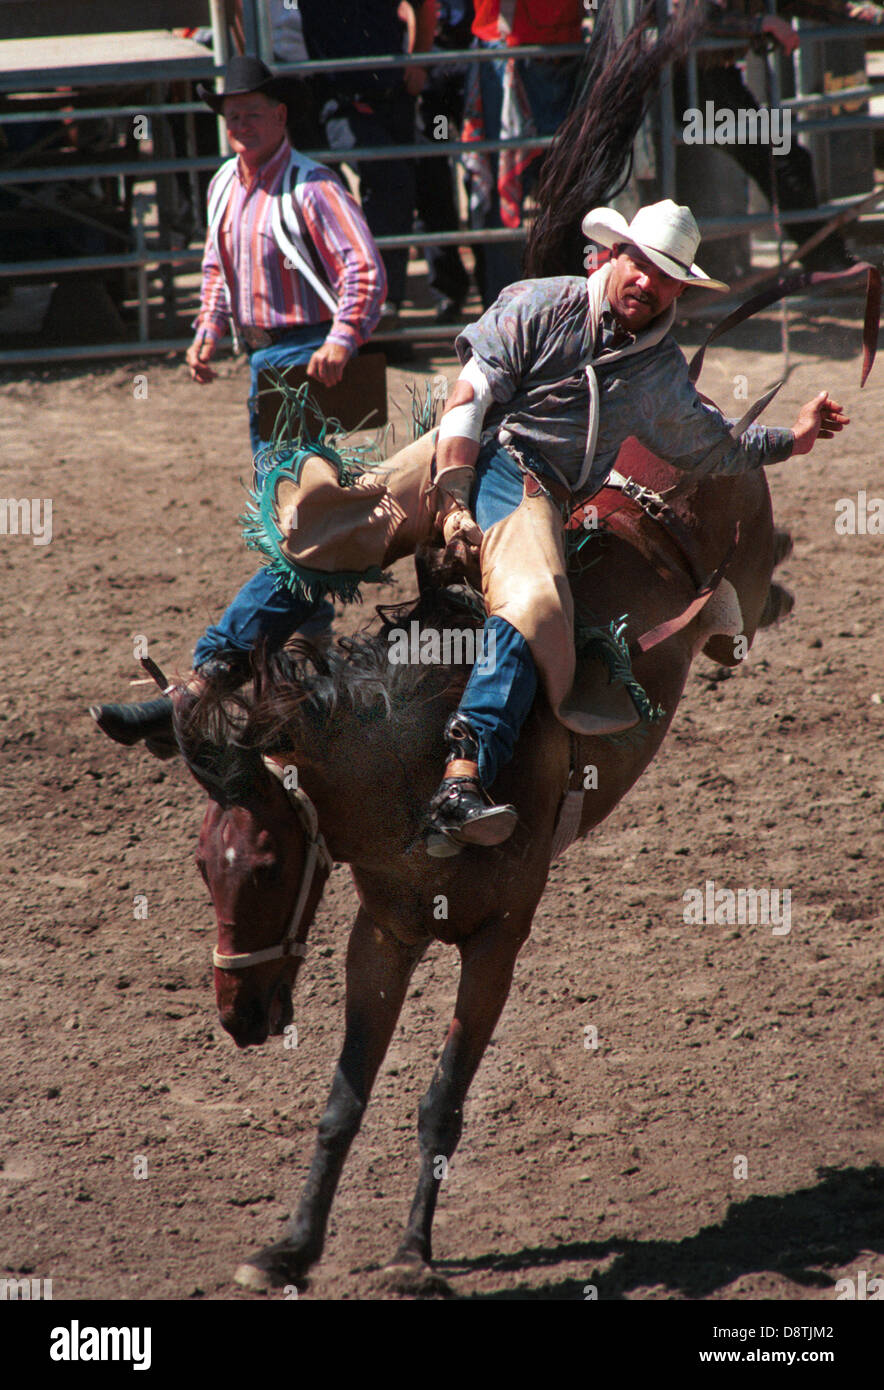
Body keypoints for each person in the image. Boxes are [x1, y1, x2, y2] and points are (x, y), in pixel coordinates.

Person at [92, 202, 848, 859]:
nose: (648, 284)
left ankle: (464, 772)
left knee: (536, 604)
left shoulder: (660, 379)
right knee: (330, 525)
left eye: (666, 276)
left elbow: (715, 445)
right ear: (614, 256)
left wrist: (798, 437)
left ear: (680, 288)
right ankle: (198, 687)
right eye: (640, 265)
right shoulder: (539, 304)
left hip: (530, 489)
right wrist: (452, 495)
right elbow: (470, 394)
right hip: (472, 454)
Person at [90, 55, 386, 750]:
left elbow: (363, 269)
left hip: (311, 363)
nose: (241, 125)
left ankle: (207, 676)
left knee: (298, 529)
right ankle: (311, 672)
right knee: (298, 524)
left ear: (281, 117)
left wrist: (341, 339)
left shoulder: (314, 187)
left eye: (253, 112)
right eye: (231, 116)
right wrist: (207, 331)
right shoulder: (229, 183)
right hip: (268, 360)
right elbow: (217, 268)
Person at [675, 0, 864, 271]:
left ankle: (826, 257)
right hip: (691, 82)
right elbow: (691, 20)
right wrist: (761, 24)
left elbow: (820, 5)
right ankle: (826, 260)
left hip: (717, 79)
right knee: (784, 161)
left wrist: (870, 16)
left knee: (789, 161)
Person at [297, 0, 437, 320]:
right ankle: (362, 297)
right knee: (372, 183)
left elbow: (423, 4)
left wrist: (419, 61)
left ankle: (384, 302)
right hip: (338, 100)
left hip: (391, 94)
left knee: (398, 187)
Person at [462, 0, 584, 309]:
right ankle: (503, 318)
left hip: (562, 49)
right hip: (509, 52)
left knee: (572, 194)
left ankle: (573, 312)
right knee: (506, 203)